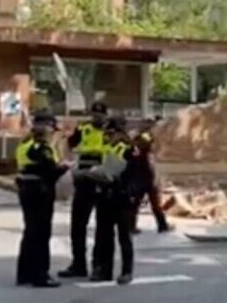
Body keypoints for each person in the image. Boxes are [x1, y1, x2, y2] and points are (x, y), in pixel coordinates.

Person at [15, 114, 68, 288]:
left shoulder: (24, 144)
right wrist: (65, 167)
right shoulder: (41, 147)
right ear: (46, 129)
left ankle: (25, 273)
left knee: (30, 231)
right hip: (40, 191)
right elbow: (50, 172)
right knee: (41, 233)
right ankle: (40, 274)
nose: (54, 133)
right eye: (53, 129)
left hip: (26, 189)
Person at [58, 101, 108, 279]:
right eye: (95, 114)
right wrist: (70, 163)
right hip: (84, 178)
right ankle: (78, 264)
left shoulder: (110, 131)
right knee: (78, 224)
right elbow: (69, 144)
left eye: (100, 115)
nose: (97, 118)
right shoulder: (83, 128)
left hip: (103, 179)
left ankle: (98, 265)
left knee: (103, 226)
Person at [89, 117, 137, 285]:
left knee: (124, 236)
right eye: (106, 133)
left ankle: (126, 271)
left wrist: (122, 184)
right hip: (104, 195)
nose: (107, 136)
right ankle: (103, 269)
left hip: (121, 196)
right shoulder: (106, 148)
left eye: (111, 133)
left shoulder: (129, 149)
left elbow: (133, 174)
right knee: (103, 235)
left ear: (120, 133)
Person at [130, 118, 171, 234]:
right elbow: (150, 144)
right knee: (153, 203)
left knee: (136, 203)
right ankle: (162, 225)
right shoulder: (145, 136)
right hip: (145, 175)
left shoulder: (135, 137)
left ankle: (131, 226)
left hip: (139, 175)